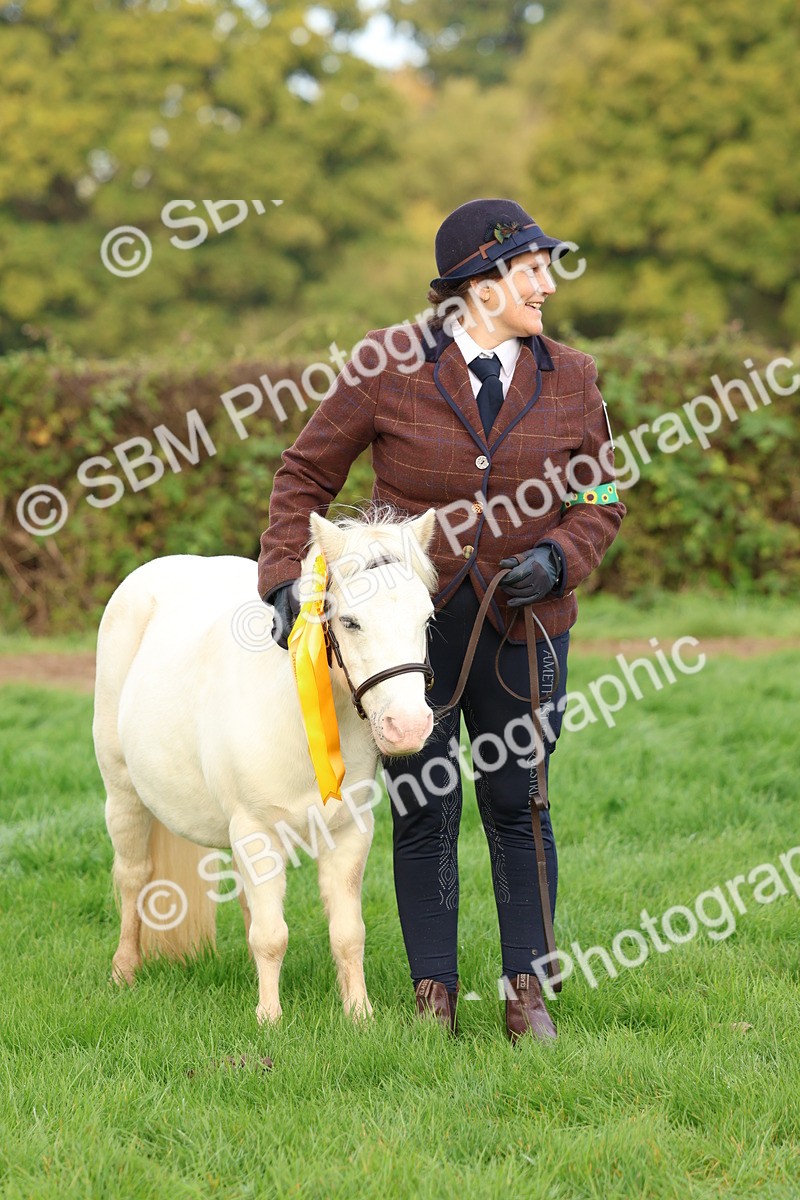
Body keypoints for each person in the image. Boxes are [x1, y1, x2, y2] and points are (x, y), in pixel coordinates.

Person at [258, 198, 625, 1042]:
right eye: (530, 271)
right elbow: (304, 473)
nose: (547, 286)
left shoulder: (573, 375)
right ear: (479, 285)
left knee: (520, 800)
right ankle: (434, 994)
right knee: (425, 806)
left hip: (527, 628)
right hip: (404, 638)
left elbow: (602, 496)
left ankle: (527, 992)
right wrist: (281, 576)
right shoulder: (385, 364)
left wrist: (561, 556)